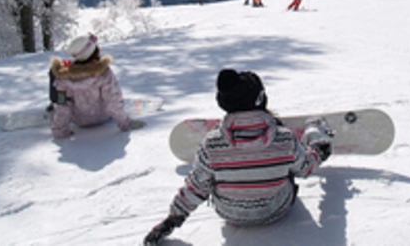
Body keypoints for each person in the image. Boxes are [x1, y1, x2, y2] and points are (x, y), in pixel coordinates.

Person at [143, 69, 332, 245]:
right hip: (277, 209)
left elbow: (196, 187)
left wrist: (171, 221)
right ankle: (312, 134)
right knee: (288, 166)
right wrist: (319, 150)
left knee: (213, 175)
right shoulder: (284, 138)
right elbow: (306, 168)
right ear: (261, 99)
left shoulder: (212, 143)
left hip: (229, 214)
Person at [49, 33, 133, 138]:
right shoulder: (104, 73)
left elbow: (62, 103)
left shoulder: (63, 77)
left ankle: (51, 108)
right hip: (102, 117)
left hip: (78, 120)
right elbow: (112, 102)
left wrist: (59, 131)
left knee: (53, 73)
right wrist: (126, 124)